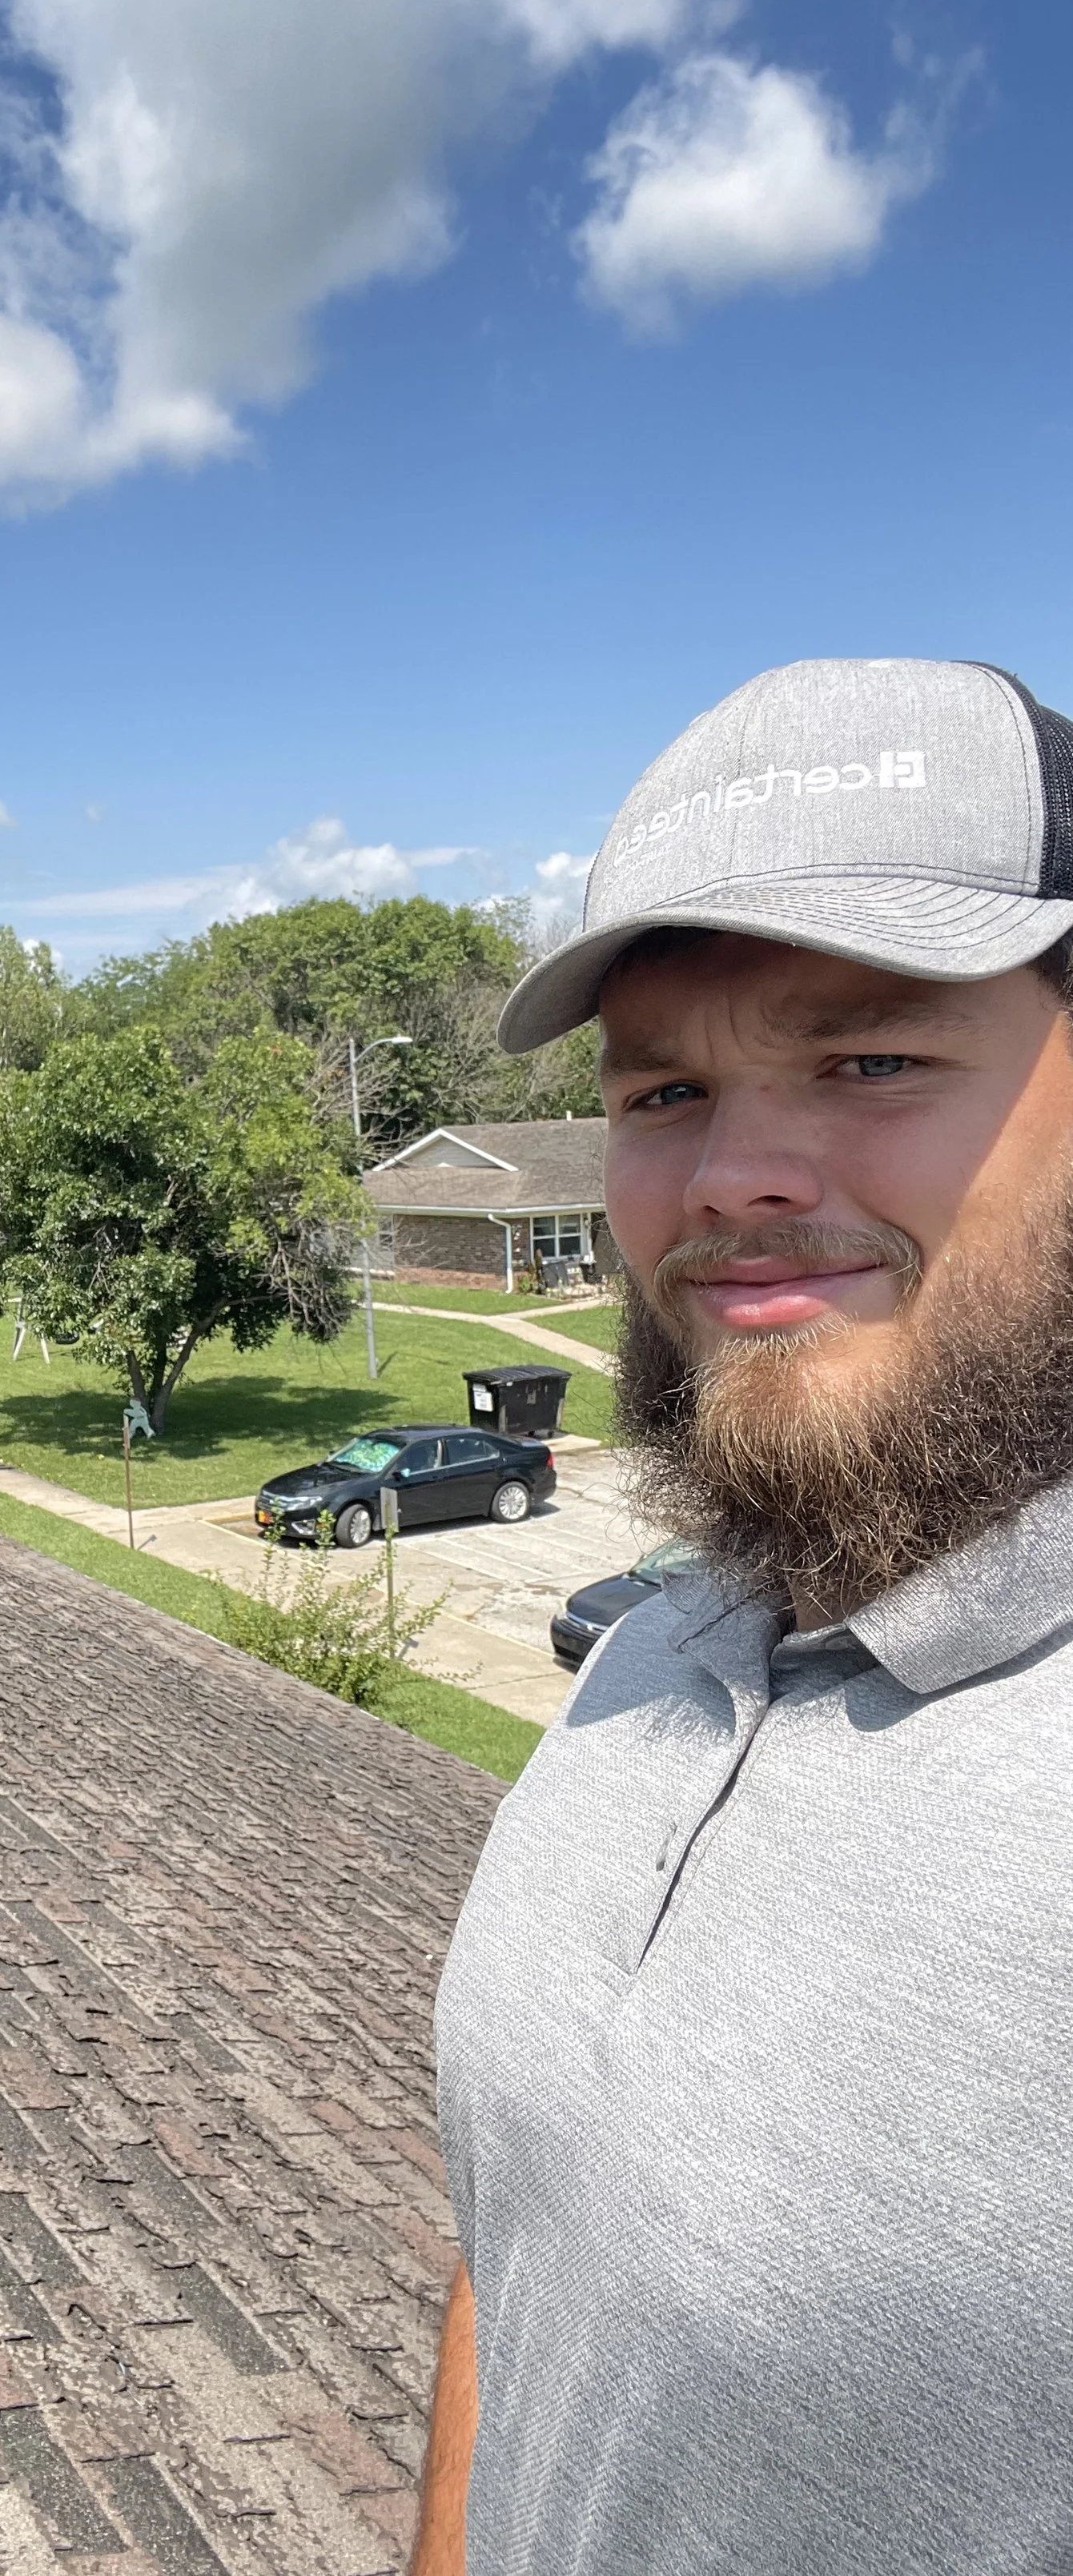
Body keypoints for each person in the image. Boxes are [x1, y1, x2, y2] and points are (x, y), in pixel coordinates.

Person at [413, 657, 1073, 2576]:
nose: (728, 1178)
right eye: (663, 1092)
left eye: (865, 1060)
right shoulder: (652, 1648)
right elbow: (517, 2271)